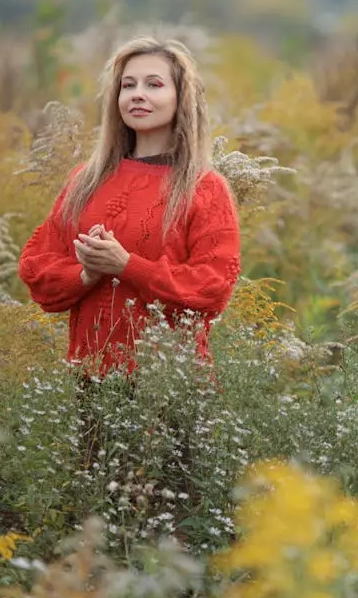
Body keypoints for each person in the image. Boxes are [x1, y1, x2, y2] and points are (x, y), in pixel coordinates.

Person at [18, 37, 241, 378]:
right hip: (92, 378)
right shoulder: (85, 180)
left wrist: (126, 265)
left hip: (171, 382)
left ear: (181, 97)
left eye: (154, 84)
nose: (138, 94)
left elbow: (212, 287)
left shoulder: (205, 188)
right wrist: (86, 274)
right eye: (128, 85)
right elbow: (38, 269)